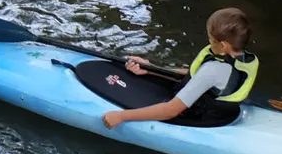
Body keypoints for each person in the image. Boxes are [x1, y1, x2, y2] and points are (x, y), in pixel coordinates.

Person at [102, 7, 259, 129]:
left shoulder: (213, 69)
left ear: (223, 46)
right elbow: (196, 76)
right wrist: (150, 69)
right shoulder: (247, 59)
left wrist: (121, 116)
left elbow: (171, 111)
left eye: (210, 39)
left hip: (202, 117)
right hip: (225, 113)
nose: (209, 42)